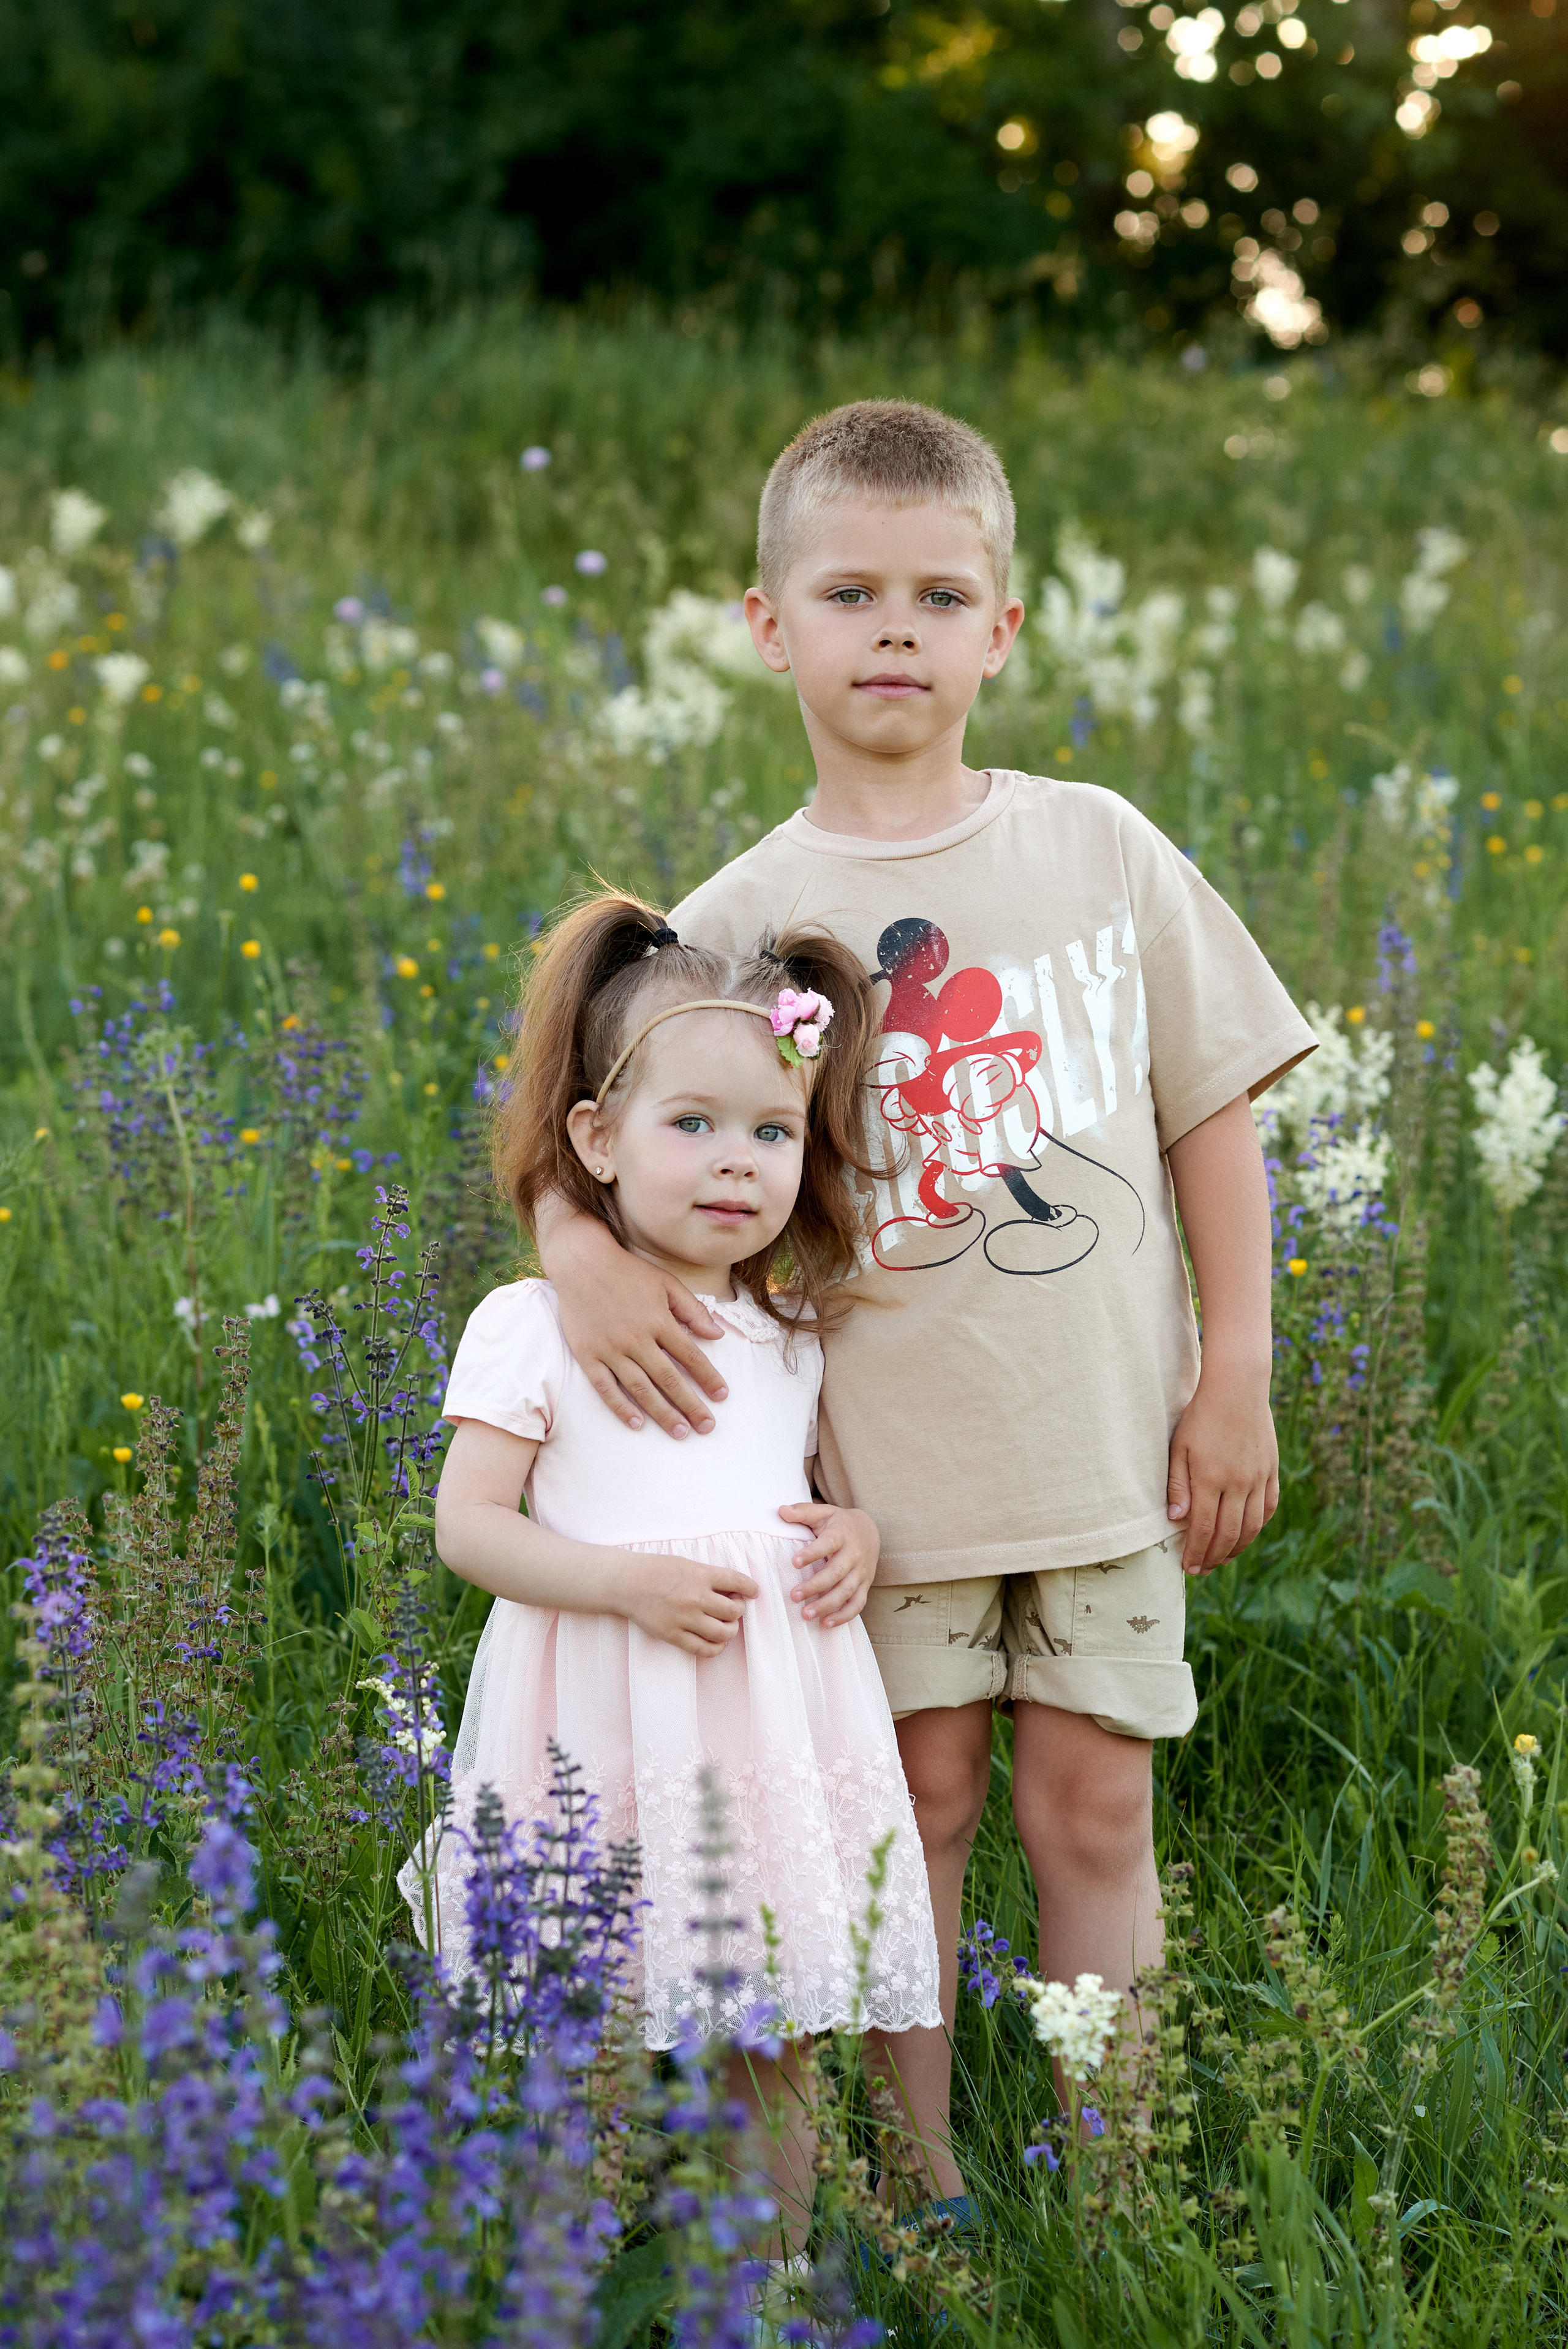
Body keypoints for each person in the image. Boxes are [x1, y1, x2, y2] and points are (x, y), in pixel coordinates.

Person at [533, 399, 1317, 2216]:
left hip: (1110, 1447)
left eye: (940, 596)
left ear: (1002, 630)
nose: (897, 631)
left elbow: (1210, 1112)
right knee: (917, 1810)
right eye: (851, 594)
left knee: (1095, 1808)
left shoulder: (1098, 847)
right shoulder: (741, 919)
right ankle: (920, 2187)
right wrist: (572, 1247)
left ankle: (1116, 2191)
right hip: (869, 1482)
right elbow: (602, 1142)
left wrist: (1239, 1370)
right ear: (767, 624)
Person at [415, 889, 942, 2265]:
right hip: (598, 1713)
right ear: (598, 1139)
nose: (735, 1164)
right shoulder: (533, 1322)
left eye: (771, 1133)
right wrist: (620, 1584)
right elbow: (468, 1526)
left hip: (764, 1725)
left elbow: (805, 1490)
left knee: (776, 2020)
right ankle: (570, 2272)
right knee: (584, 2011)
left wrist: (855, 1535)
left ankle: (769, 2282)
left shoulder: (790, 1329)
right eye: (692, 1124)